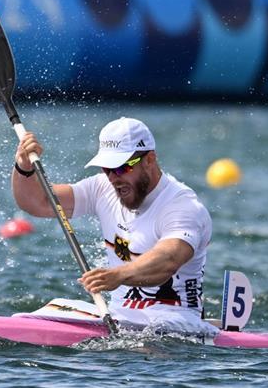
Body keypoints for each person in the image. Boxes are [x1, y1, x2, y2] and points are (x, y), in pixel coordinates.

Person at [11, 117, 211, 321]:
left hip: (178, 324)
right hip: (119, 319)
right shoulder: (102, 188)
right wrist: (24, 167)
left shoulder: (182, 206)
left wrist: (118, 275)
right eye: (107, 169)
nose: (114, 178)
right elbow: (38, 202)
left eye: (122, 168)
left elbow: (169, 259)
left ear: (149, 160)